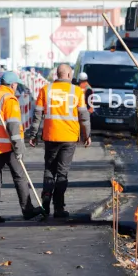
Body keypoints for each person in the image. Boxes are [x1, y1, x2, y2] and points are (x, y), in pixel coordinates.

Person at [27, 64, 91, 218]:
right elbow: (84, 116)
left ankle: (46, 202)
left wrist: (33, 134)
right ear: (69, 75)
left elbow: (37, 115)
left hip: (50, 136)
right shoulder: (76, 91)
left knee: (49, 170)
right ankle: (59, 208)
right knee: (62, 173)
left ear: (57, 74)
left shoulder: (46, 89)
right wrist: (86, 135)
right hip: (69, 138)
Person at [0, 71, 43, 224]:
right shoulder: (9, 99)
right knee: (19, 176)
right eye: (16, 85)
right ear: (13, 85)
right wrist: (19, 148)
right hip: (7, 145)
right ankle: (27, 210)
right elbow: (14, 127)